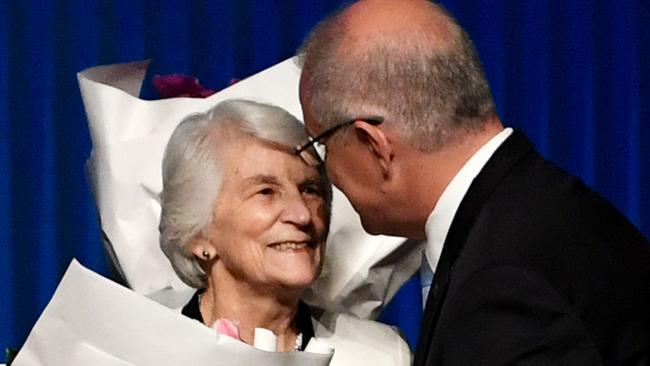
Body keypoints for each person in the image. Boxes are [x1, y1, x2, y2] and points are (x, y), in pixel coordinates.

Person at [296, 0, 650, 365]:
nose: (327, 174)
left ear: (374, 144)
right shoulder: (546, 208)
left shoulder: (503, 282)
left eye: (321, 144)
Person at [158, 99, 410, 364]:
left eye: (310, 190)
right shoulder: (141, 349)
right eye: (265, 192)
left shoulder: (381, 356)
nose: (301, 214)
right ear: (198, 234)